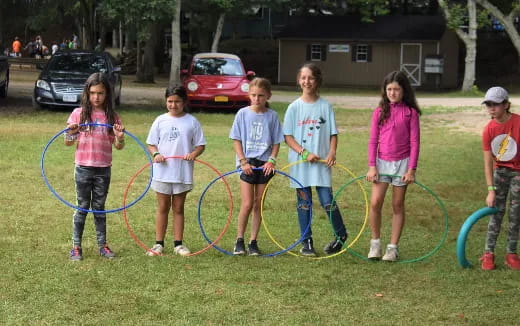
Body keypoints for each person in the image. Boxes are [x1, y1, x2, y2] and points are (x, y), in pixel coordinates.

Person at [283, 63, 348, 256]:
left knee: (327, 201)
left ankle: (341, 235)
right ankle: (306, 241)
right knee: (304, 203)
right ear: (298, 80)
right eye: (303, 77)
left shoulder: (325, 106)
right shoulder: (294, 107)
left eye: (310, 77)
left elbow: (333, 134)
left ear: (317, 80)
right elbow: (288, 136)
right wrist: (304, 153)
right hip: (301, 165)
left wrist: (332, 152)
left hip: (321, 164)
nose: (306, 81)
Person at [64, 72, 125, 261]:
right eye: (92, 93)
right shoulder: (78, 114)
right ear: (87, 93)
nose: (96, 97)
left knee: (99, 208)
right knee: (82, 207)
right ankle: (76, 247)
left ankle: (103, 245)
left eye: (100, 93)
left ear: (107, 94)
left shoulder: (112, 117)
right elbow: (68, 142)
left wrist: (120, 137)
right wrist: (72, 132)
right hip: (83, 167)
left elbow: (118, 146)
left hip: (103, 168)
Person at [365, 70, 421, 262]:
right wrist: (372, 166)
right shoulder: (379, 112)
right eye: (389, 89)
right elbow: (373, 141)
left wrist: (411, 169)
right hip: (381, 163)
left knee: (397, 204)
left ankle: (392, 248)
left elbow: (415, 143)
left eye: (396, 89)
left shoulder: (410, 113)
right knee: (375, 202)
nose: (392, 93)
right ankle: (375, 244)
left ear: (404, 90)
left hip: (402, 164)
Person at [145, 86, 206, 257]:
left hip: (182, 171)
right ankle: (158, 244)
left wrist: (193, 154)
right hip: (163, 171)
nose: (173, 104)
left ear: (184, 102)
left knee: (178, 207)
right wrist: (156, 153)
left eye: (177, 101)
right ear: (166, 102)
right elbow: (151, 143)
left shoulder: (191, 121)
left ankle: (178, 244)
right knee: (163, 206)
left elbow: (200, 144)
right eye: (170, 101)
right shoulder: (160, 120)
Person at [229, 77, 284, 256]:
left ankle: (253, 241)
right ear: (248, 95)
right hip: (248, 163)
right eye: (253, 95)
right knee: (246, 204)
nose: (257, 98)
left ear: (268, 95)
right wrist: (243, 161)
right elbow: (236, 139)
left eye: (261, 95)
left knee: (258, 204)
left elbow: (276, 142)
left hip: (265, 164)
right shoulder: (242, 114)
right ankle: (239, 240)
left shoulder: (272, 116)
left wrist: (272, 160)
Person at [480, 86, 520, 270]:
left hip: (519, 173)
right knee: (496, 212)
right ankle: (488, 253)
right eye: (488, 104)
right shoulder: (489, 129)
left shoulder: (518, 123)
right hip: (500, 173)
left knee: (515, 214)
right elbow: (488, 162)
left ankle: (511, 253)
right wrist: (490, 190)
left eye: (495, 104)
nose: (491, 108)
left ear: (506, 104)